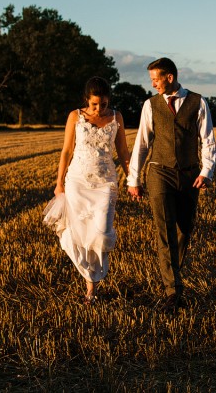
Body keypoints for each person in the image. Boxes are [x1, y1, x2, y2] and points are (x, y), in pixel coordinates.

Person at [127, 57, 216, 312]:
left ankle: (171, 276)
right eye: (151, 80)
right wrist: (134, 179)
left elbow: (208, 139)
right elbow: (142, 143)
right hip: (159, 173)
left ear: (169, 77)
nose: (153, 84)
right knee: (164, 229)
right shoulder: (150, 105)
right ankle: (173, 291)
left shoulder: (198, 102)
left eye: (156, 79)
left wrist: (207, 170)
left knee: (184, 230)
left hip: (189, 175)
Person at [44, 76, 130, 304]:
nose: (99, 108)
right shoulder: (75, 116)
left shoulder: (116, 117)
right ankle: (90, 288)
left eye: (103, 104)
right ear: (86, 100)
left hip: (105, 183)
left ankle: (94, 278)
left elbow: (123, 152)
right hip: (77, 182)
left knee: (100, 233)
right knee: (79, 234)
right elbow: (66, 151)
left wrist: (133, 177)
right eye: (94, 104)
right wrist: (59, 182)